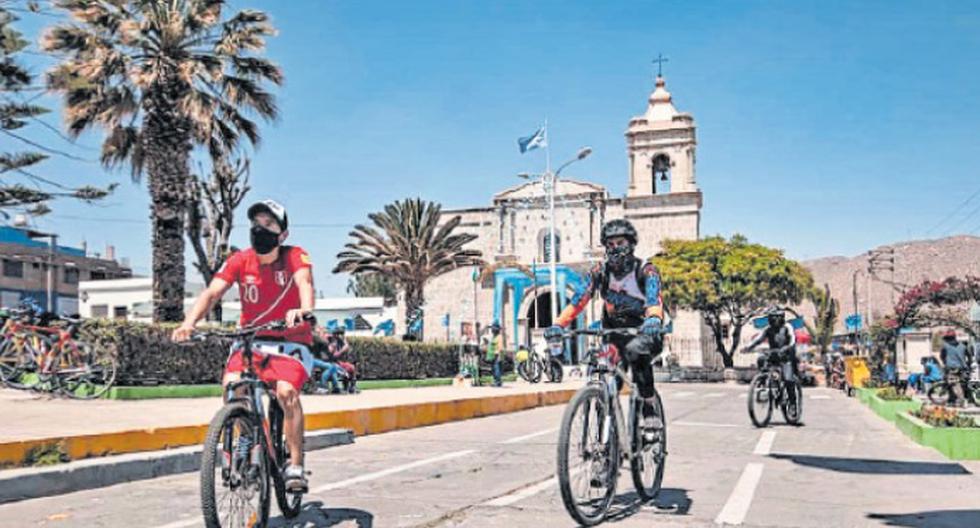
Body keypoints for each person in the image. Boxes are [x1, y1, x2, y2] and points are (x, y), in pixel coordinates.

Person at [172, 199, 314, 492]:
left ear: (282, 234)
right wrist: (189, 323)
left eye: (268, 225)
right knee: (232, 386)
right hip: (251, 342)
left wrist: (303, 310)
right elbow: (212, 293)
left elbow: (305, 284)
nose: (260, 230)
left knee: (286, 393)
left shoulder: (294, 256)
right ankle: (246, 436)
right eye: (256, 224)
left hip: (290, 343)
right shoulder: (240, 260)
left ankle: (296, 464)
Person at [544, 219, 666, 437]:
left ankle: (649, 407)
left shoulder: (646, 270)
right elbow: (578, 301)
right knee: (602, 375)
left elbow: (654, 300)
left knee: (637, 352)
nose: (615, 248)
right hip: (613, 336)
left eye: (620, 242)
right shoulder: (599, 272)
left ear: (631, 244)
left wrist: (654, 319)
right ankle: (607, 447)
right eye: (609, 244)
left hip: (644, 332)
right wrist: (558, 325)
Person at [743, 306, 801, 421]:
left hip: (786, 356)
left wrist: (786, 349)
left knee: (788, 379)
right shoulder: (768, 329)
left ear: (780, 318)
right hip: (774, 354)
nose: (772, 320)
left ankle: (793, 405)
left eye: (774, 317)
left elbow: (792, 341)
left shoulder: (787, 327)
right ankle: (764, 381)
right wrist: (748, 347)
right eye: (771, 318)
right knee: (761, 359)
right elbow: (758, 339)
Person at [939, 330, 968, 407]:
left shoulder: (945, 346)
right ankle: (952, 400)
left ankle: (962, 401)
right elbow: (969, 356)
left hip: (952, 368)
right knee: (959, 384)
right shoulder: (963, 346)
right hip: (962, 368)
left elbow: (942, 356)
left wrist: (946, 363)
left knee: (954, 384)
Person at [327, 326, 358, 393]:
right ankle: (337, 387)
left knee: (352, 367)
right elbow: (333, 356)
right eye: (339, 334)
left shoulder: (341, 342)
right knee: (343, 370)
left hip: (339, 363)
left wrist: (344, 346)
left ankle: (352, 386)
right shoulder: (332, 342)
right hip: (333, 363)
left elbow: (346, 346)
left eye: (342, 334)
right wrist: (340, 351)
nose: (341, 336)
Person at [485, 322, 504, 387]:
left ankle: (498, 382)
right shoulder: (493, 337)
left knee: (496, 368)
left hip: (496, 355)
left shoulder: (499, 337)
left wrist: (499, 355)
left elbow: (500, 347)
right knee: (493, 369)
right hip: (492, 356)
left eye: (493, 329)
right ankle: (495, 380)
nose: (492, 330)